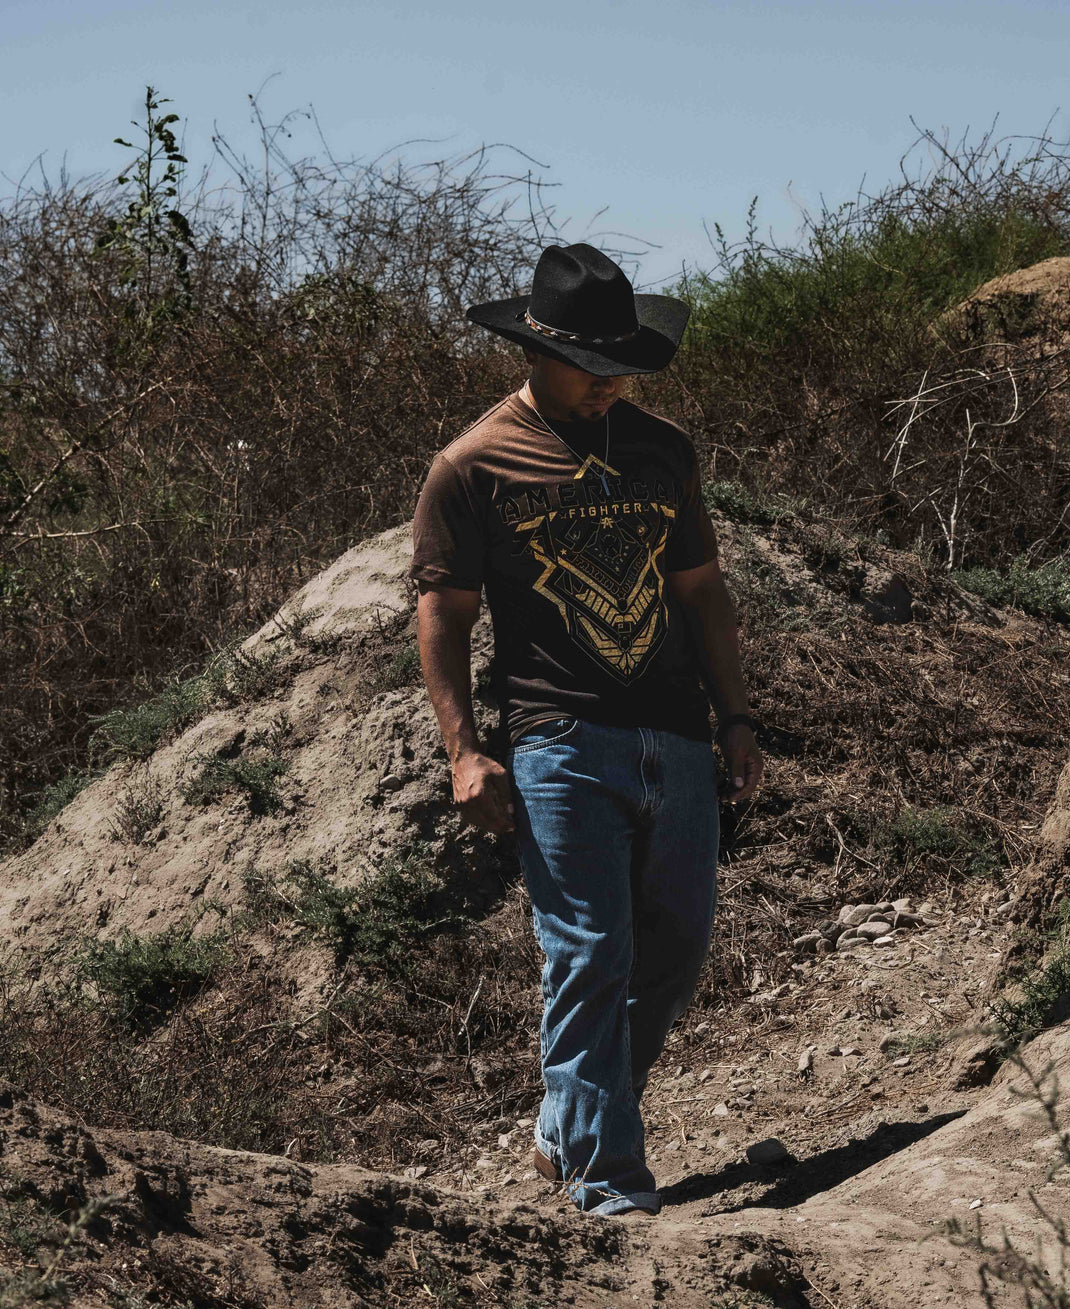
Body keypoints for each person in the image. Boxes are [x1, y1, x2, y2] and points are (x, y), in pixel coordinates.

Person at [409, 242, 763, 1218]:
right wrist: (464, 749)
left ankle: (569, 1120)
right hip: (560, 740)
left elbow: (701, 591)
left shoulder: (661, 449)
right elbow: (444, 614)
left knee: (678, 947)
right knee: (587, 952)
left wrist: (734, 716)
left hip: (676, 733)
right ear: (535, 351)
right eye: (592, 366)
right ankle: (606, 1187)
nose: (611, 384)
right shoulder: (472, 467)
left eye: (625, 366)